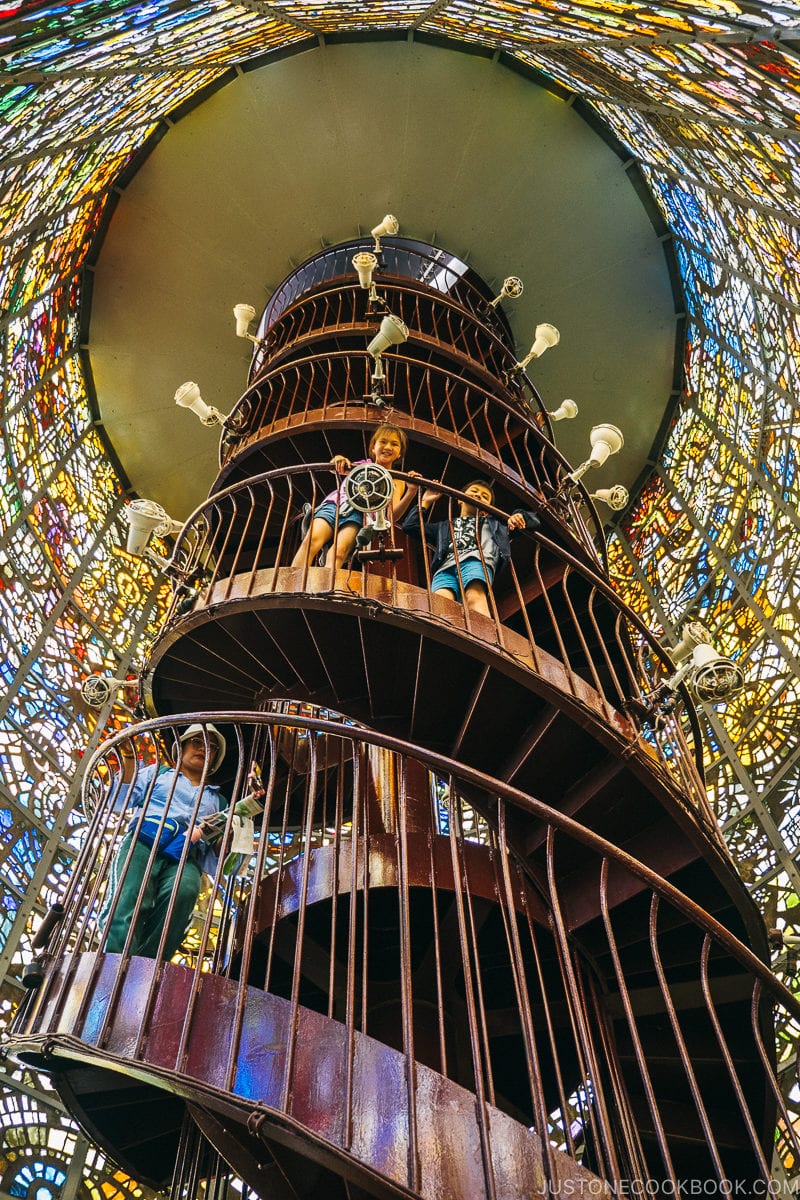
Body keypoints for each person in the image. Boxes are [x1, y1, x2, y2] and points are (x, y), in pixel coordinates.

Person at [102, 723, 229, 960]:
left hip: (186, 855)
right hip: (144, 840)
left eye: (211, 748)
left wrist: (236, 826)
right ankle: (113, 961)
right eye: (197, 742)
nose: (204, 749)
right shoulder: (158, 773)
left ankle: (147, 966)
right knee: (127, 896)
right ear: (181, 747)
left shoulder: (219, 801)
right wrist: (128, 754)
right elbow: (121, 798)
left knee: (184, 894)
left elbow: (219, 856)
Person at [402, 479, 540, 618]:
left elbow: (535, 521)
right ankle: (441, 637)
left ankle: (485, 637)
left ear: (486, 512)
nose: (479, 495)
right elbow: (410, 526)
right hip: (445, 567)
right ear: (460, 500)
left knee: (474, 596)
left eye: (485, 497)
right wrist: (425, 501)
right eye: (474, 491)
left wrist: (520, 516)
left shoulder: (496, 525)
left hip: (476, 560)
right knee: (439, 602)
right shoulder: (444, 527)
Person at [292, 423, 419, 569]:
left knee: (339, 553)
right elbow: (339, 469)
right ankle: (291, 585)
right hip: (336, 504)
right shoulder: (363, 465)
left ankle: (324, 589)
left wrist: (411, 492)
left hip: (360, 516)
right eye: (383, 442)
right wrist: (338, 460)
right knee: (311, 541)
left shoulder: (397, 480)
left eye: (394, 444)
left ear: (400, 453)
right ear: (373, 447)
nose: (388, 447)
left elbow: (391, 516)